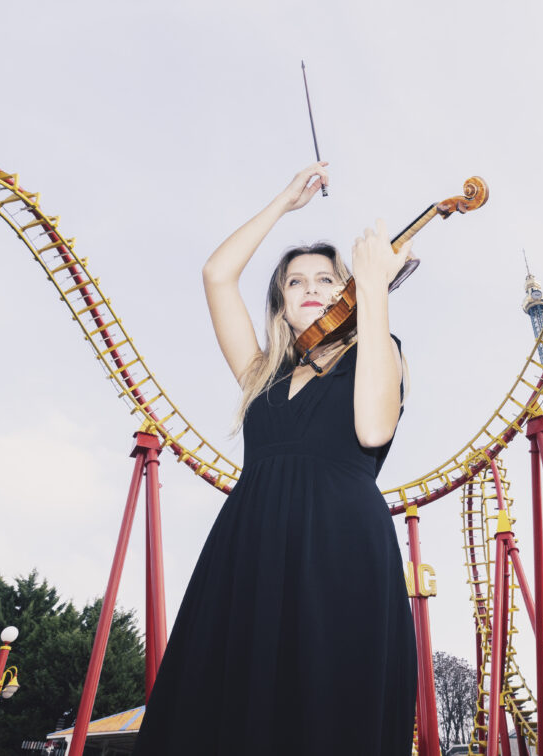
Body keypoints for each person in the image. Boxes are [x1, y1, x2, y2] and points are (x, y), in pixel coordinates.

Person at [132, 162, 417, 755]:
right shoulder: (261, 373)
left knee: (325, 705)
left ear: (348, 291)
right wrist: (285, 202)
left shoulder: (380, 350)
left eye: (325, 278)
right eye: (295, 281)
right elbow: (216, 275)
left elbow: (372, 428)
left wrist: (373, 294)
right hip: (250, 543)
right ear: (282, 304)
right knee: (222, 706)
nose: (310, 287)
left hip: (341, 545)